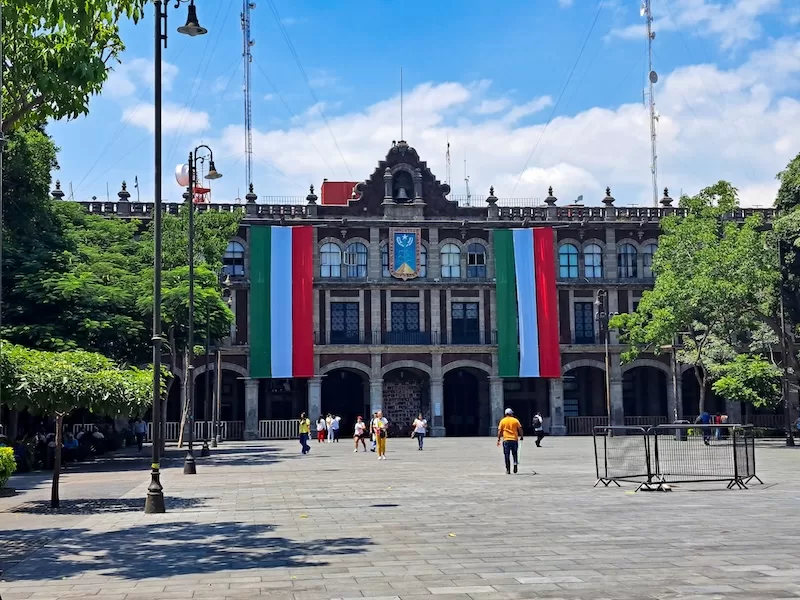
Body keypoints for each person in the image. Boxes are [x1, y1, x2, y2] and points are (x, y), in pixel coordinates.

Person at [497, 408, 523, 474]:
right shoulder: (515, 420)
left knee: (506, 455)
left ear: (505, 414)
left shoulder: (502, 421)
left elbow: (500, 431)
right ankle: (515, 464)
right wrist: (521, 436)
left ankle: (508, 469)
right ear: (511, 414)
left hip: (506, 440)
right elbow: (520, 429)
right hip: (514, 439)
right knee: (514, 453)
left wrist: (499, 439)